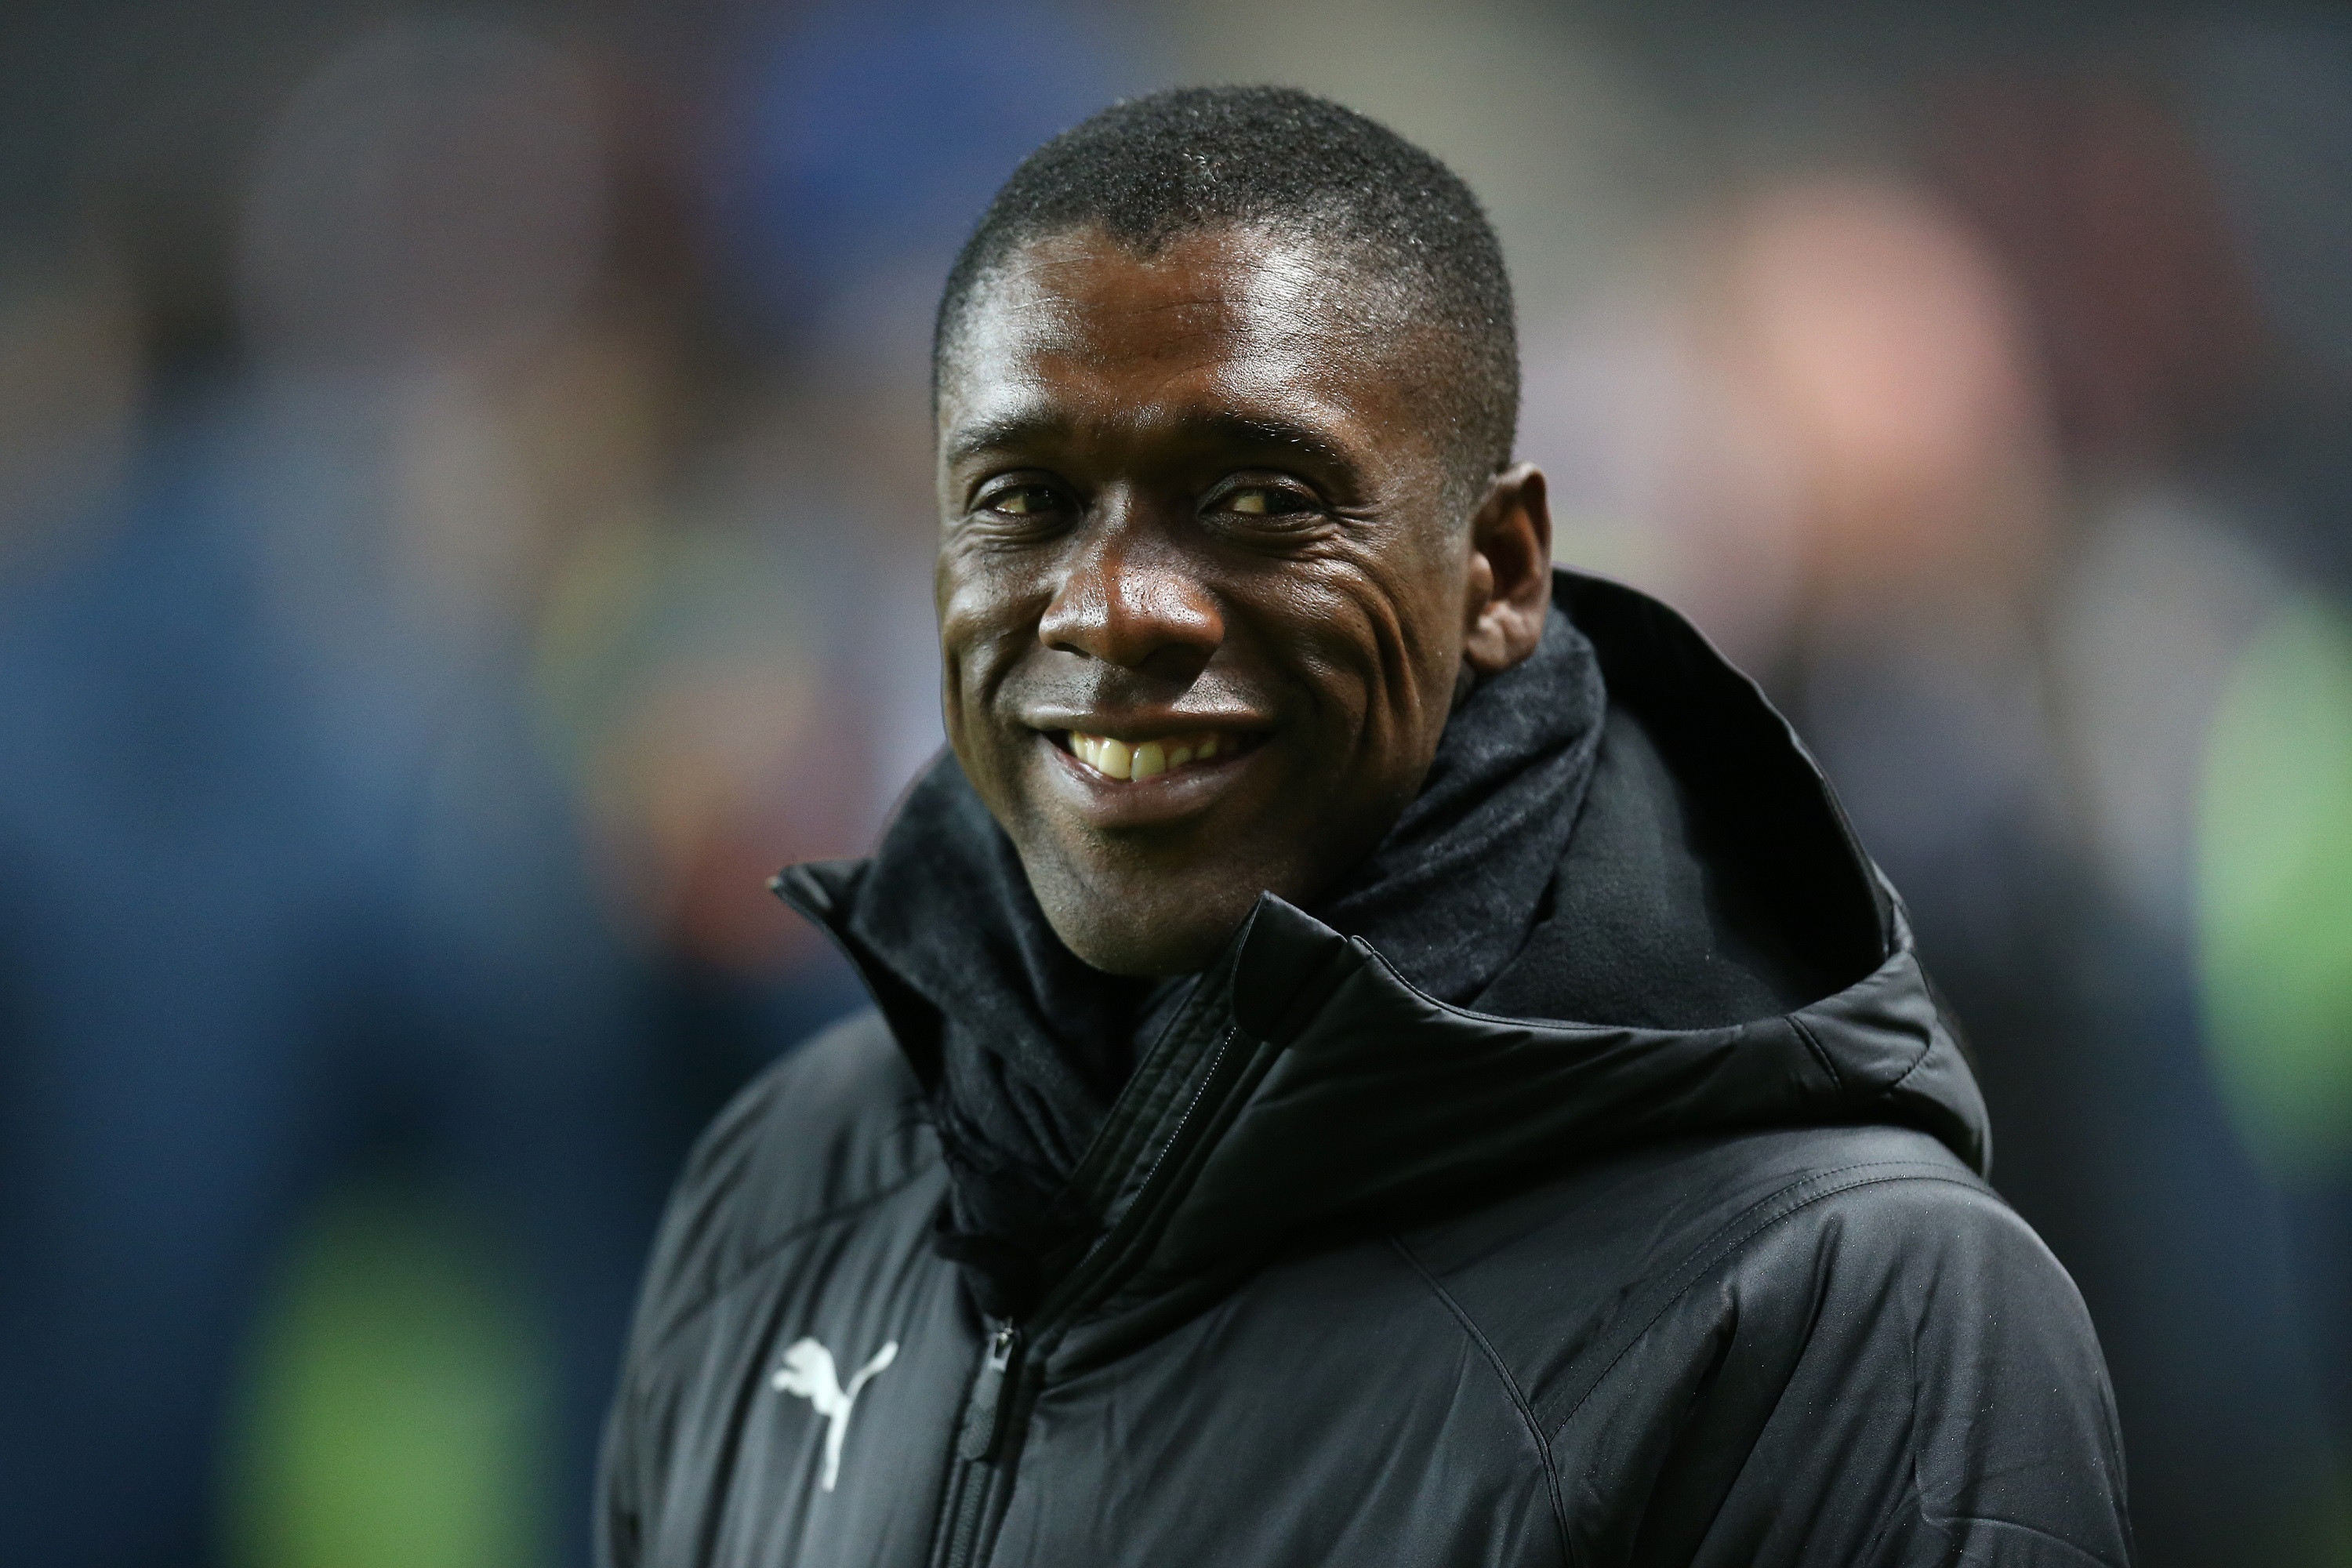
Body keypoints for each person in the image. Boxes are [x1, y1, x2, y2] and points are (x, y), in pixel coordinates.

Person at [597, 87, 2130, 1567]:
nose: (1114, 606)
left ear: (1501, 571)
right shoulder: (791, 1178)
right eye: (1023, 497)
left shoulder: (1843, 1308)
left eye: (1259, 497)